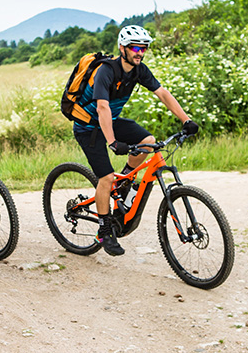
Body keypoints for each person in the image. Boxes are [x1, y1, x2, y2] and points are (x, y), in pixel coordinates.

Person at [72, 24, 199, 256]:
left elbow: (162, 93)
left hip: (112, 120)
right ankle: (104, 229)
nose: (140, 52)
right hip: (88, 127)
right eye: (135, 48)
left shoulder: (139, 70)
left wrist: (186, 120)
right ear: (122, 48)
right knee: (106, 177)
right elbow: (102, 107)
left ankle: (124, 180)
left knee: (148, 141)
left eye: (144, 48)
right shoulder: (106, 71)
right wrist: (112, 142)